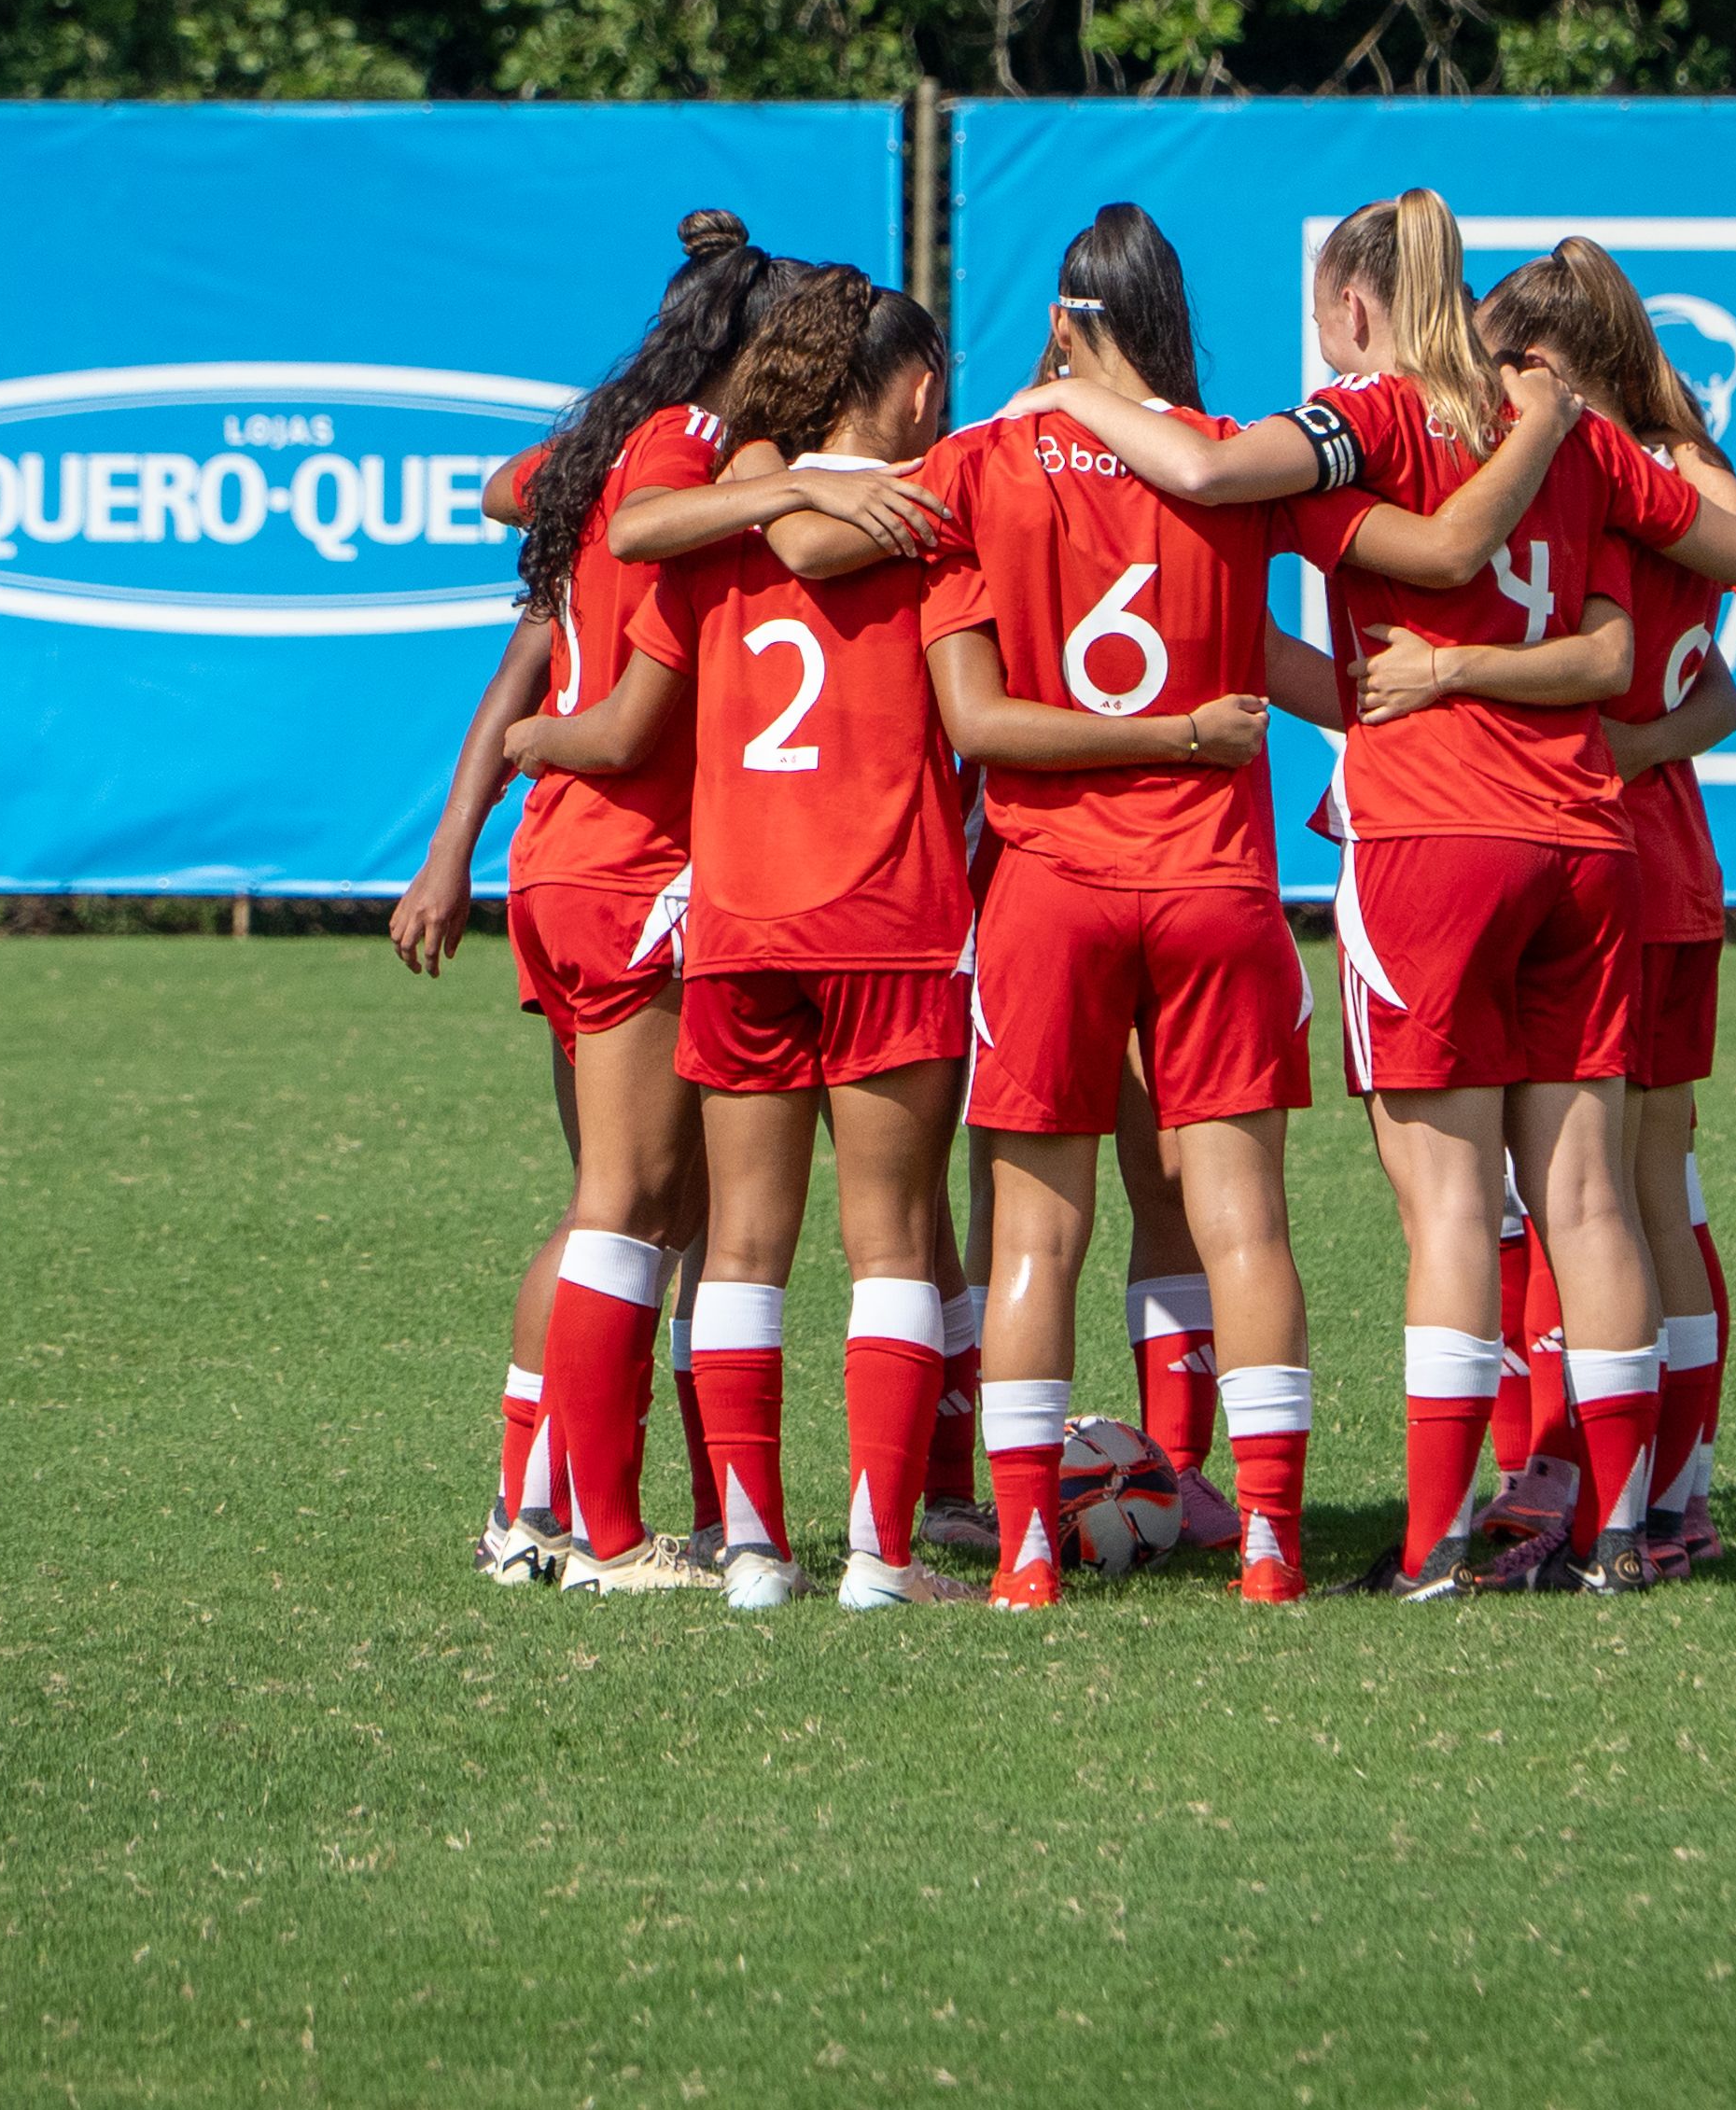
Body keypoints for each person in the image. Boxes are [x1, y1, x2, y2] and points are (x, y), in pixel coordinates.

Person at [771, 201, 1571, 1604]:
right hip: (1215, 884)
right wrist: (1389, 696)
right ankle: (1266, 1541)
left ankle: (1024, 1552)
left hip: (1049, 889)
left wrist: (788, 477)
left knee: (1037, 1235)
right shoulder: (1229, 461)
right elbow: (1418, 558)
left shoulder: (983, 459)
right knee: (1243, 1222)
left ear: (1063, 322)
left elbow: (819, 555)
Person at [1000, 188, 1736, 1597]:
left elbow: (1217, 478)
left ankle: (1436, 1542)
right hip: (1589, 839)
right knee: (1590, 1202)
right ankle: (1615, 1534)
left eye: (1323, 322)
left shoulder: (1363, 419)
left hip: (1434, 837)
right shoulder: (1578, 429)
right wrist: (1570, 435)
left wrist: (1070, 395)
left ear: (1355, 310)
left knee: (1448, 1210)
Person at [504, 272, 984, 1612]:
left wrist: (773, 483)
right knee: (890, 1241)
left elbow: (610, 545)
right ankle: (886, 1557)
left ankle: (754, 1554)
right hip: (887, 915)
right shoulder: (936, 509)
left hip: (735, 924)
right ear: (920, 391)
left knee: (739, 1248)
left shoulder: (700, 531)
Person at [392, 207, 776, 1592]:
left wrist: (453, 846)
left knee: (620, 1203)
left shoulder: (612, 460)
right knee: (634, 1203)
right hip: (629, 862)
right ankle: (586, 1533)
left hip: (562, 862)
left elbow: (511, 504)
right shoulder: (686, 459)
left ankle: (533, 1510)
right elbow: (583, 705)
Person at [1473, 238, 1736, 1580]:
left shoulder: (1599, 477)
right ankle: (1664, 1497)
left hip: (1591, 863)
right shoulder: (1684, 466)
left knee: (1562, 1196)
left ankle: (1573, 1488)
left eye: (1504, 361)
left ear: (1552, 364)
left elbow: (1642, 652)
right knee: (1652, 1194)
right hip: (1669, 867)